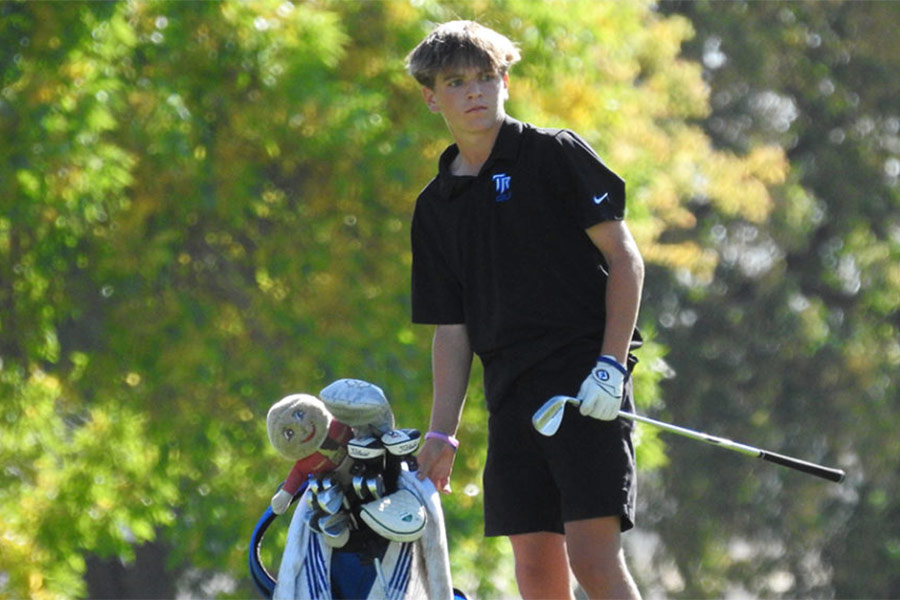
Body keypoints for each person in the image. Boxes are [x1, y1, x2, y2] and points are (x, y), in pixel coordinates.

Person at [406, 20, 644, 600]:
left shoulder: (552, 154)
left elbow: (626, 261)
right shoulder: (436, 205)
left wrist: (611, 367)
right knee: (535, 570)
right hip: (510, 397)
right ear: (431, 96)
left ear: (505, 82)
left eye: (486, 77)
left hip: (585, 383)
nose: (474, 92)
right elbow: (452, 328)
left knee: (592, 557)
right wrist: (441, 431)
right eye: (456, 81)